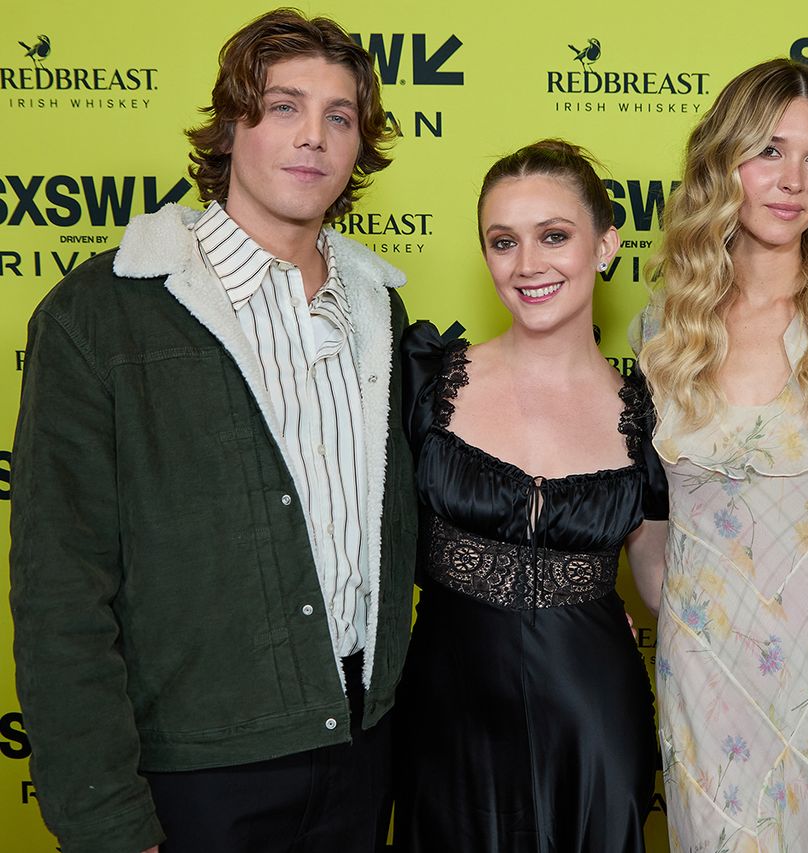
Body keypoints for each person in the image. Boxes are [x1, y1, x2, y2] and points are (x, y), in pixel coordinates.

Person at [9, 10, 416, 853]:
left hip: (362, 750)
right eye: (284, 106)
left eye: (340, 116)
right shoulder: (102, 314)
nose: (313, 136)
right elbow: (61, 592)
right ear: (231, 126)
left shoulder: (380, 310)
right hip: (195, 775)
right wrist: (105, 821)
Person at [632, 59, 808, 852]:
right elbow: (650, 517)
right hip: (706, 670)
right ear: (722, 162)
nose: (794, 179)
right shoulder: (664, 330)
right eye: (769, 151)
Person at [393, 139, 669, 852]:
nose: (527, 264)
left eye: (553, 236)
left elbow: (666, 586)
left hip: (592, 717)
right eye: (503, 241)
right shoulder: (423, 381)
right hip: (444, 717)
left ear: (605, 246)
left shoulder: (654, 415)